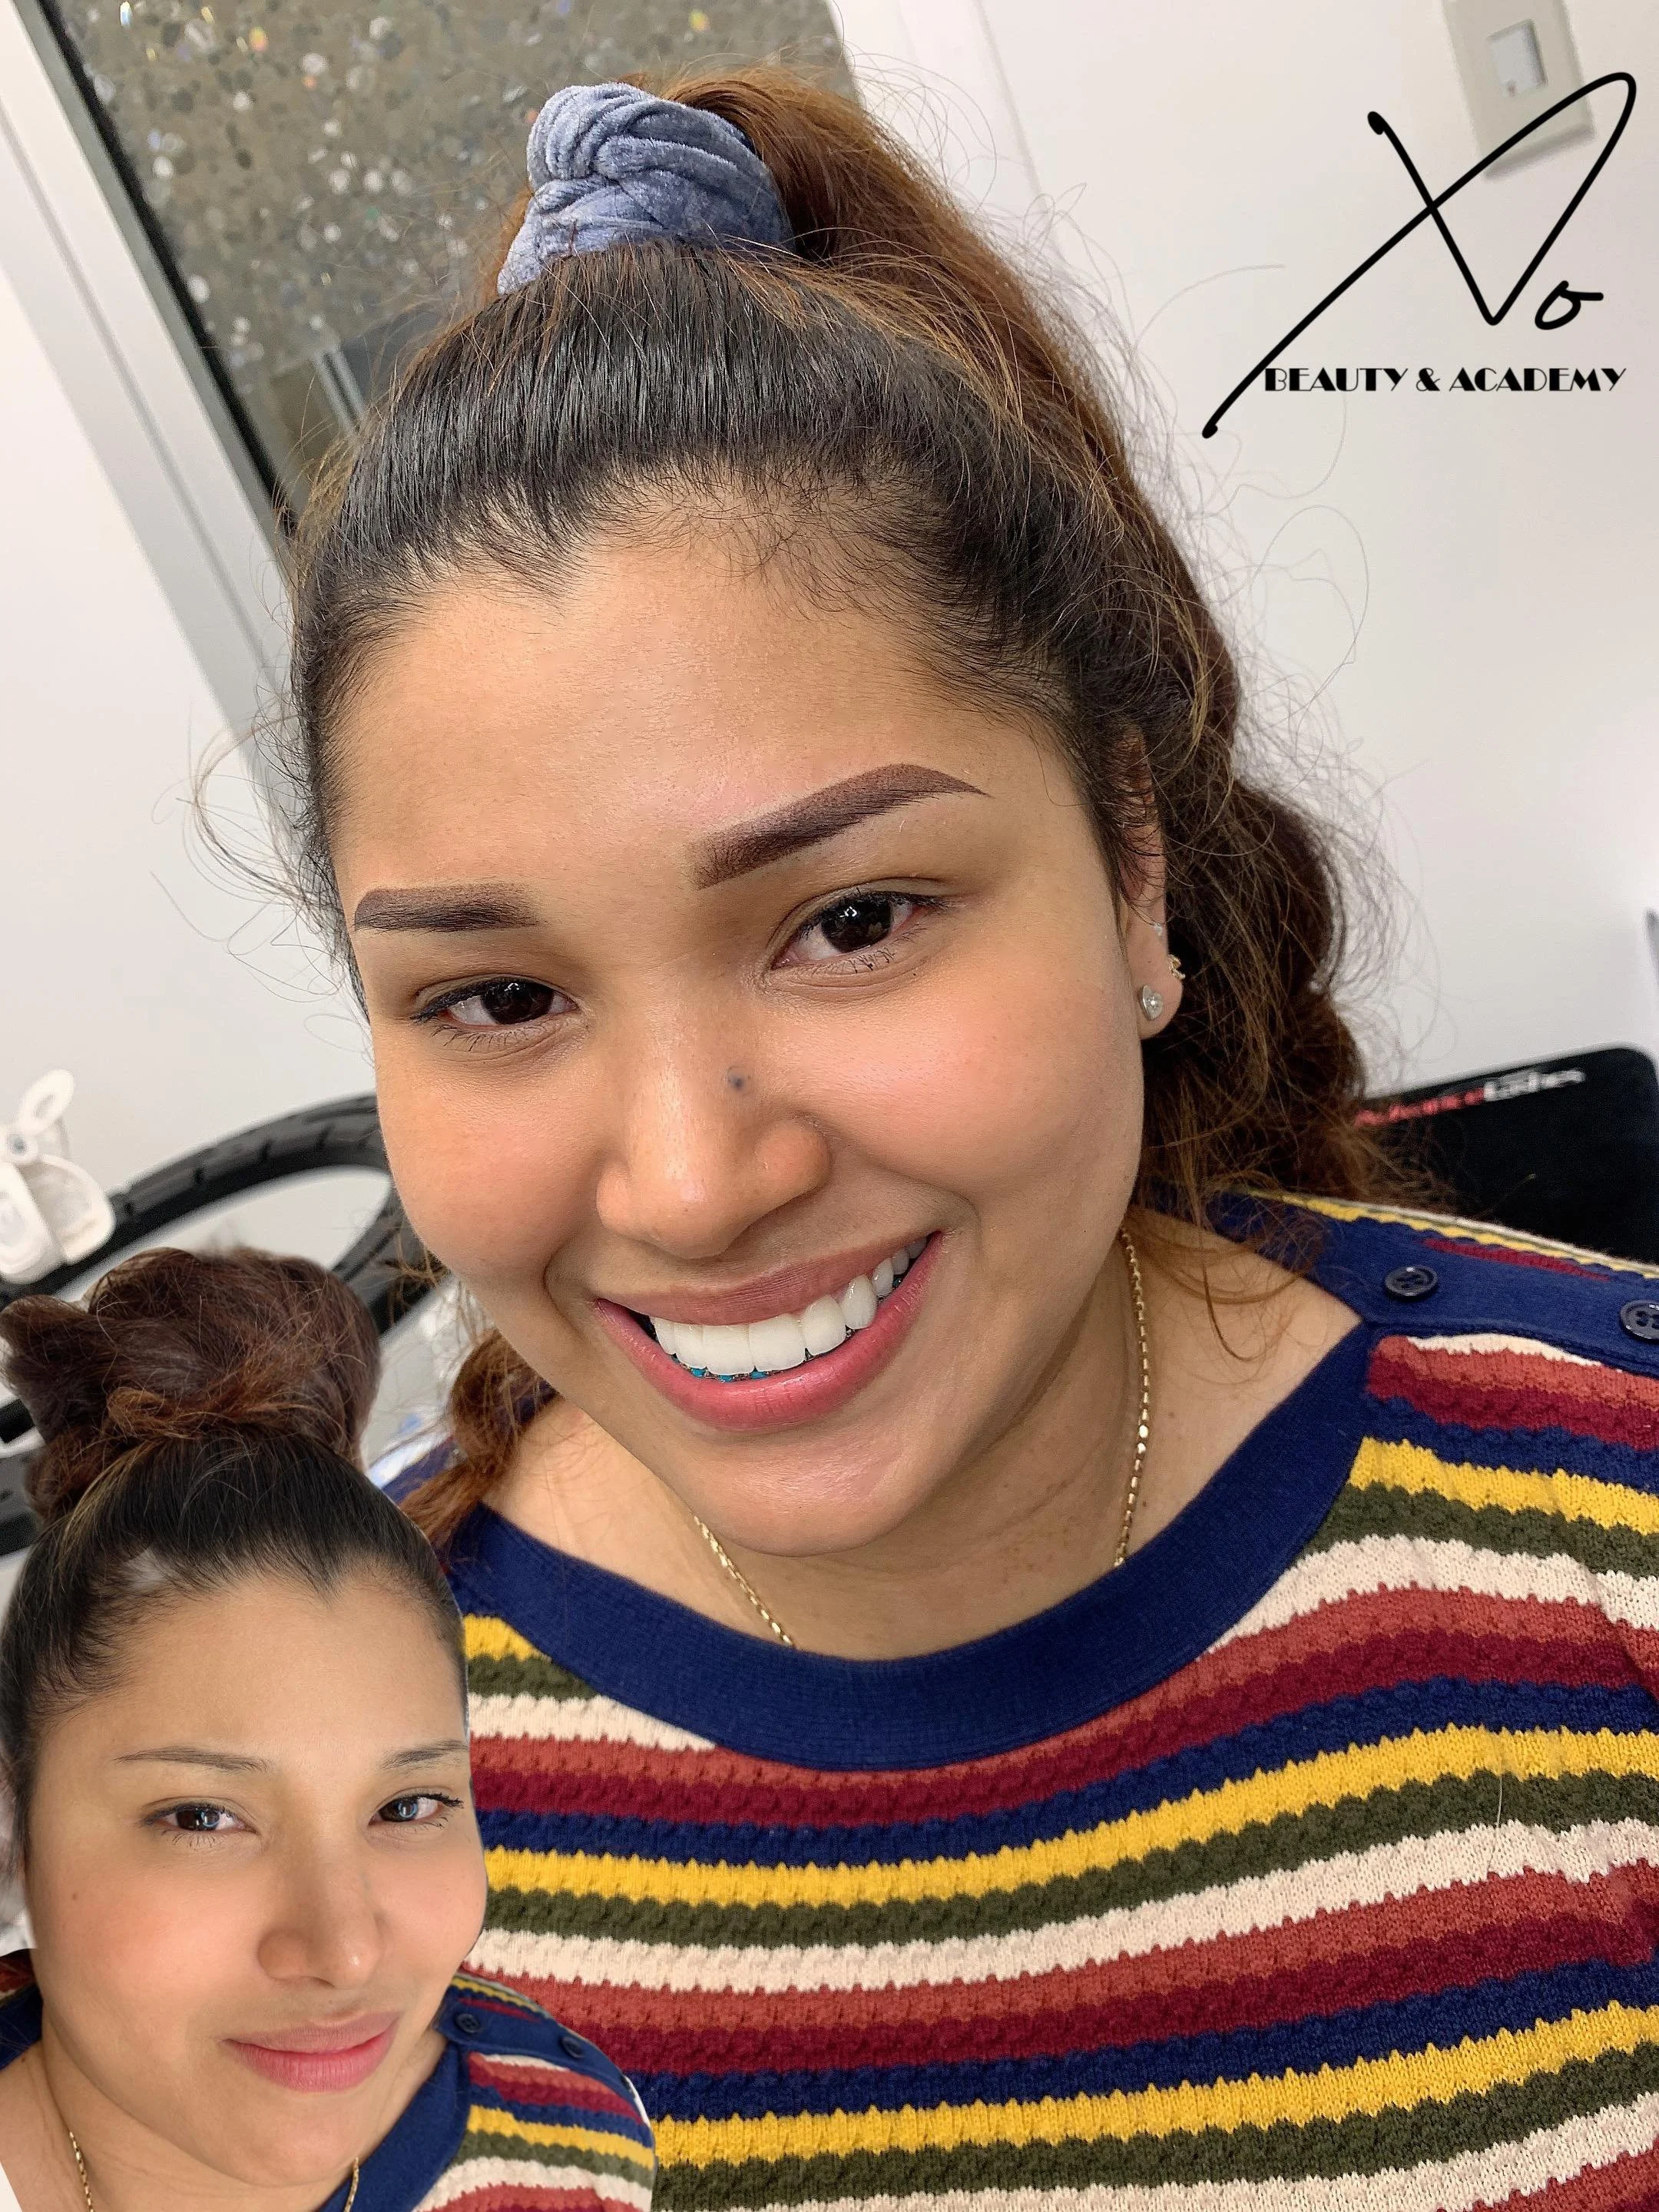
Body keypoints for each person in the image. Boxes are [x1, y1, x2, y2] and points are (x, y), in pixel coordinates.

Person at [270, 63, 1659, 2211]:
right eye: (501, 999)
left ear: (1132, 870)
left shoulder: (1604, 1542)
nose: (692, 1181)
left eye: (852, 922)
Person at [0, 1248, 654, 2212]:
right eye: (203, 1818)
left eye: (408, 1805)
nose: (344, 1953)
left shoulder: (574, 2154)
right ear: (16, 1820)